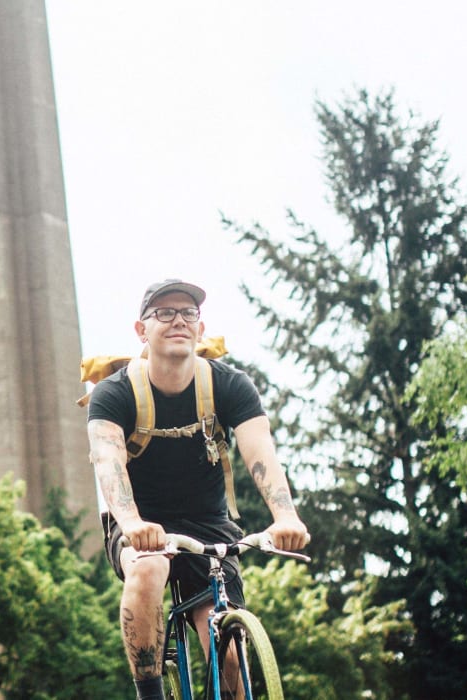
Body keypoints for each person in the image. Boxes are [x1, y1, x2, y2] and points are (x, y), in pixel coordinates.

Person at [87, 279, 309, 700]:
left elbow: (261, 453)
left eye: (188, 313)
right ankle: (149, 693)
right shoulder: (114, 393)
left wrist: (285, 516)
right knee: (149, 567)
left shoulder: (229, 385)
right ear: (142, 330)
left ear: (200, 327)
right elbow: (108, 463)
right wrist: (133, 523)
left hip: (209, 524)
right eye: (165, 313)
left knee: (229, 655)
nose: (178, 321)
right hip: (141, 521)